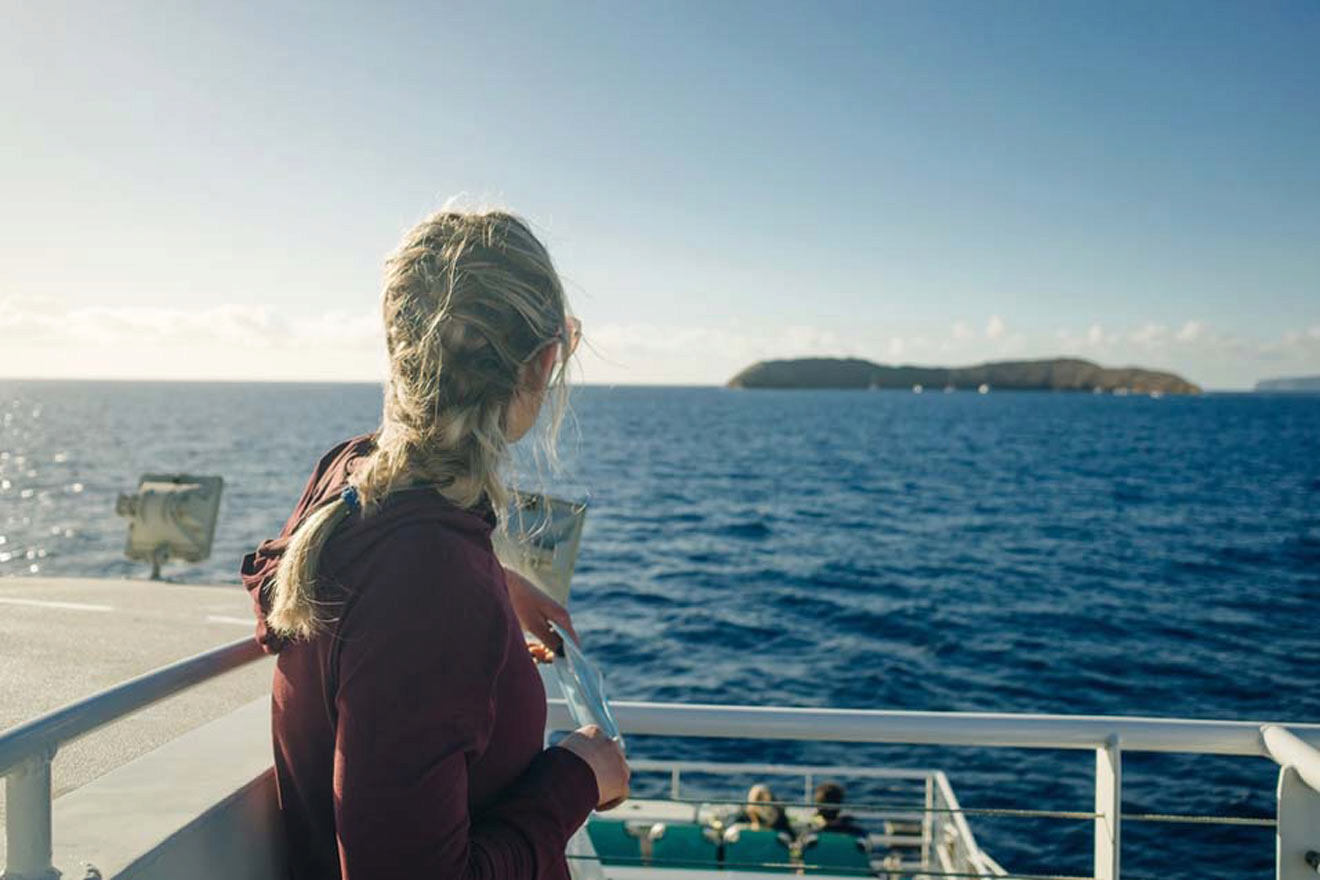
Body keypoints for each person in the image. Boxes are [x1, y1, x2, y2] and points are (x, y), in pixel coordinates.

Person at [239, 209, 629, 880]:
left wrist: (494, 580)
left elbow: (354, 586)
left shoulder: (351, 473)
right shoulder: (431, 579)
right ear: (540, 365)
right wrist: (577, 777)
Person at [724, 783, 795, 837]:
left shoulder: (778, 813)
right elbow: (749, 810)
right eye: (759, 798)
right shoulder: (745, 813)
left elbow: (786, 829)